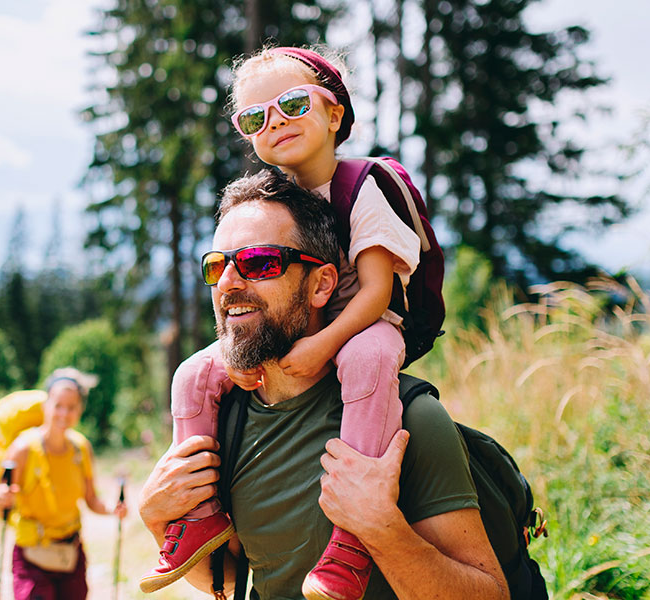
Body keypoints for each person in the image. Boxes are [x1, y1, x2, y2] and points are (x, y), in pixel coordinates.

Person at [139, 169, 509, 600]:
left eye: (260, 263)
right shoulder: (227, 421)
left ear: (321, 284)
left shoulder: (412, 422)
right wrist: (157, 519)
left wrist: (380, 530)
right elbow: (232, 578)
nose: (229, 283)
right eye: (218, 266)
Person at [140, 45, 422, 600]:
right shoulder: (280, 200)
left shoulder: (363, 186)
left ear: (335, 113)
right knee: (193, 375)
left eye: (293, 104)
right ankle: (196, 514)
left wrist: (322, 344)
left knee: (368, 357)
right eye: (254, 117)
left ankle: (352, 536)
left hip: (364, 324)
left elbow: (376, 290)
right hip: (304, 330)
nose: (275, 122)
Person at [0, 368, 128, 600]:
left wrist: (112, 509)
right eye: (58, 405)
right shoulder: (23, 449)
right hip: (32, 558)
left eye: (71, 407)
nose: (64, 413)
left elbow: (91, 500)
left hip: (70, 555)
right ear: (46, 406)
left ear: (79, 410)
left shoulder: (81, 448)